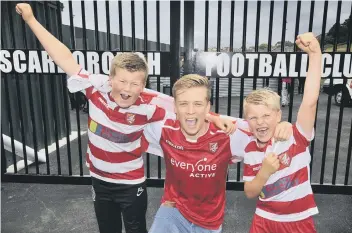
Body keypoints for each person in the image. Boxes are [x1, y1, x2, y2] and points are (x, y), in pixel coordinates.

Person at [15, 3, 234, 233]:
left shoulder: (149, 104)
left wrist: (213, 116)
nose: (127, 88)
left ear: (143, 85)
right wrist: (30, 19)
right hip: (99, 181)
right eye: (122, 80)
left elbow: (185, 106)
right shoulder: (95, 89)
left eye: (135, 83)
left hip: (131, 184)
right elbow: (63, 56)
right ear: (110, 78)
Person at [144, 74, 293, 233]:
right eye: (183, 104)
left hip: (208, 221)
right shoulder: (163, 129)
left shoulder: (227, 133)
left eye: (198, 104)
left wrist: (283, 125)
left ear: (208, 106)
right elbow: (135, 96)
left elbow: (261, 128)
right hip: (173, 210)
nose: (190, 111)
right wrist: (210, 117)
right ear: (174, 106)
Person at [242, 33, 322, 233]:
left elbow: (310, 100)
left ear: (278, 115)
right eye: (253, 118)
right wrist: (264, 172)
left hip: (299, 221)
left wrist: (315, 54)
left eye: (266, 115)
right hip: (264, 220)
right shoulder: (250, 148)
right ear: (247, 121)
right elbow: (250, 192)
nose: (260, 122)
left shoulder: (297, 136)